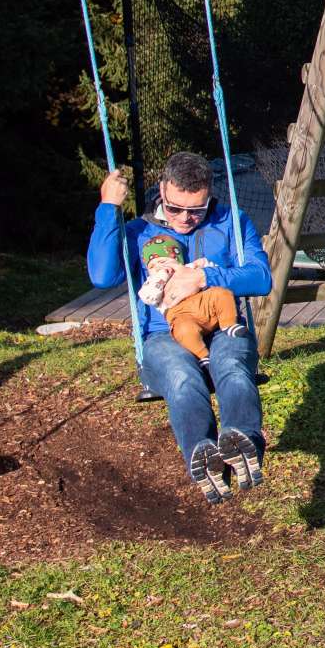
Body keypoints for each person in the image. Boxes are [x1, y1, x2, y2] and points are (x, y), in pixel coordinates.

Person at [87, 152, 270, 502]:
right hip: (161, 333)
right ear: (161, 192)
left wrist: (203, 276)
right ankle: (203, 454)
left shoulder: (231, 223)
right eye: (174, 209)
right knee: (182, 380)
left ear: (209, 196)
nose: (185, 219)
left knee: (231, 366)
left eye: (196, 211)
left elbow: (261, 278)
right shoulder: (139, 232)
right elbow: (102, 275)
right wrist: (108, 208)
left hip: (222, 326)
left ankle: (242, 441)